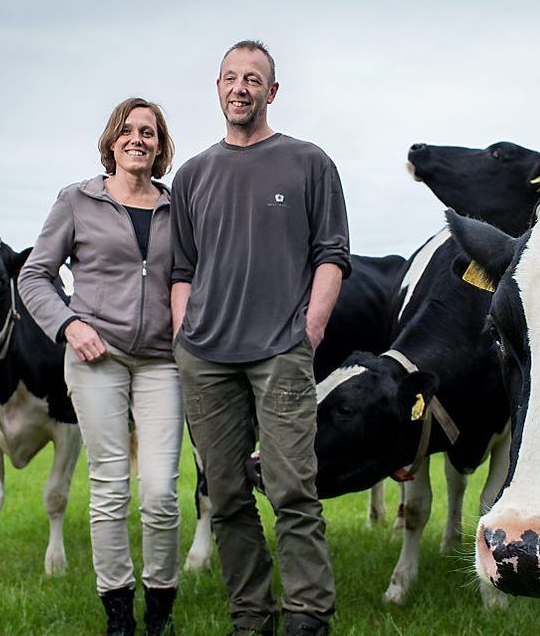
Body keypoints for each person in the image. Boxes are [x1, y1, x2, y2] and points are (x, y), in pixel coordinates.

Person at [170, 40, 350, 636]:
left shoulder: (308, 163)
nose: (239, 87)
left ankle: (308, 615)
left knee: (293, 489)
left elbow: (331, 255)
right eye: (229, 77)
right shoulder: (193, 173)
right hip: (206, 357)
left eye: (252, 79)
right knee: (224, 498)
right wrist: (182, 338)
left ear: (271, 92)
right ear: (217, 88)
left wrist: (310, 329)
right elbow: (182, 270)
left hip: (280, 351)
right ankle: (251, 617)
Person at [19, 97, 183, 636]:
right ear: (113, 139)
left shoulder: (177, 205)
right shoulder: (77, 200)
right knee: (111, 486)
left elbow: (194, 278)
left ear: (160, 147)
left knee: (159, 490)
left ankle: (159, 612)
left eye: (150, 133)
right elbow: (34, 276)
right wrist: (69, 325)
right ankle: (118, 615)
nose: (139, 139)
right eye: (130, 130)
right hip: (97, 358)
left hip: (163, 362)